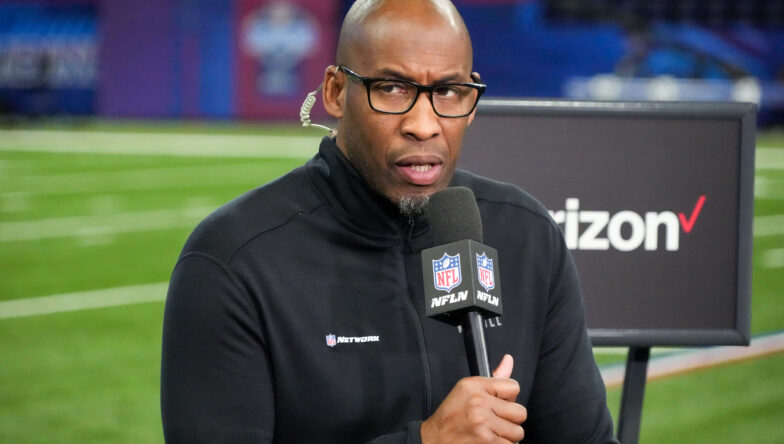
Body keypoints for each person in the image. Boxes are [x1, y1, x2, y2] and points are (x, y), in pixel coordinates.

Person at [160, 0, 617, 443]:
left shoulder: (526, 235)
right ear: (336, 92)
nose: (424, 123)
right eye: (392, 88)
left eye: (447, 92)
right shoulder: (233, 260)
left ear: (472, 100)